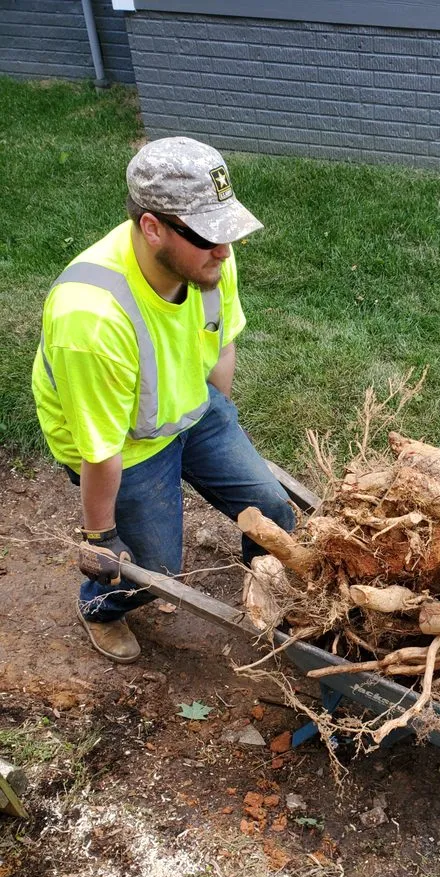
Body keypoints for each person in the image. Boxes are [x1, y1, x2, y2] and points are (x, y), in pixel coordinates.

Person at [32, 137, 296, 663]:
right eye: (209, 237)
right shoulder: (91, 317)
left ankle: (272, 600)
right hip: (123, 446)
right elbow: (100, 449)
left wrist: (217, 432)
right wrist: (100, 538)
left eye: (227, 232)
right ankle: (99, 608)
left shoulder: (207, 259)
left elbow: (221, 343)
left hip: (190, 407)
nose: (225, 251)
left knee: (272, 511)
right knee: (150, 575)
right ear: (152, 226)